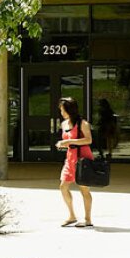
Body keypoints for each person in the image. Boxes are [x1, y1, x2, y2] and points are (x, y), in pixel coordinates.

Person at [56, 96, 94, 228]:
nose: (61, 112)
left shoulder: (82, 124)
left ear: (69, 110)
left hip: (83, 158)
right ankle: (71, 216)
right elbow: (68, 141)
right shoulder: (64, 124)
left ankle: (88, 219)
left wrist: (69, 142)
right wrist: (62, 144)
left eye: (62, 110)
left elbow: (88, 140)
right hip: (70, 158)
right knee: (63, 186)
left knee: (84, 189)